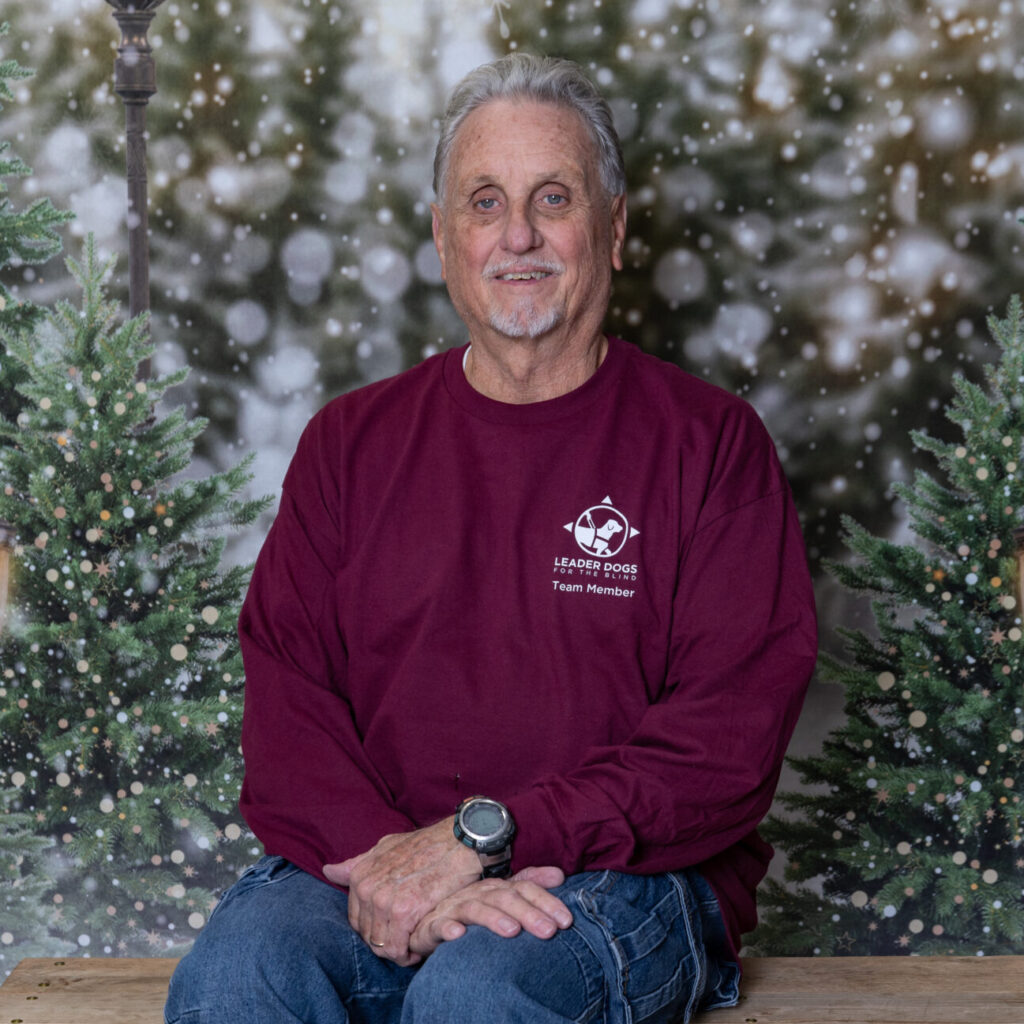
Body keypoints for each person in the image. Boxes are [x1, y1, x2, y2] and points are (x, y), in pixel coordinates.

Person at [165, 53, 817, 1024]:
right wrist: (402, 872)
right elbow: (288, 707)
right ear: (443, 236)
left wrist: (481, 842)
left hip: (626, 877)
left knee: (477, 995)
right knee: (234, 982)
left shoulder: (710, 445)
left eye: (553, 198)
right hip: (379, 860)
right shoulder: (349, 444)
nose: (518, 234)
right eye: (484, 202)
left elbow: (723, 742)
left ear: (614, 228)